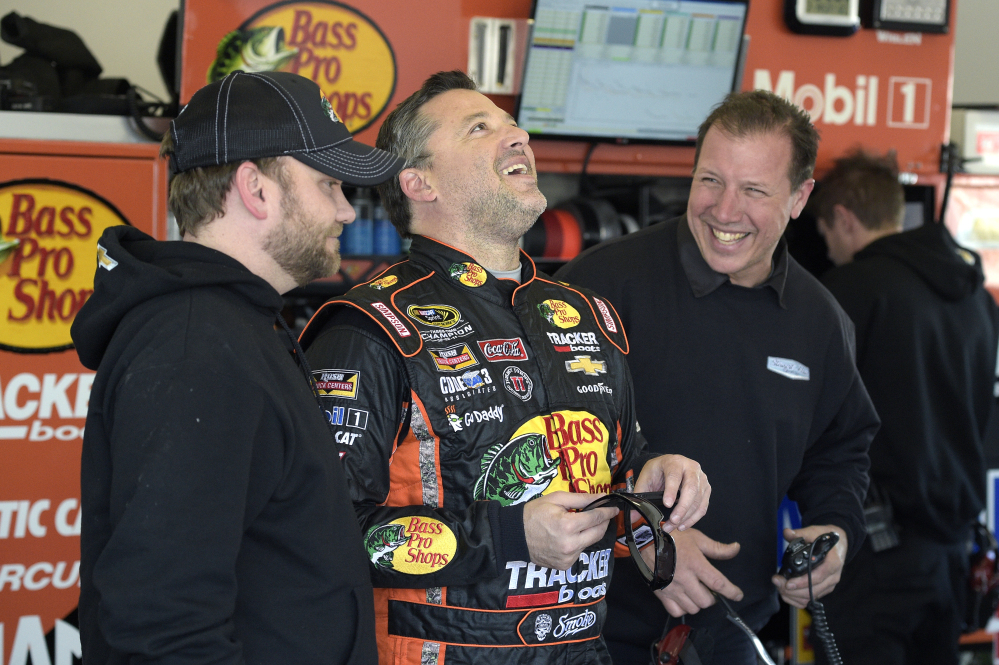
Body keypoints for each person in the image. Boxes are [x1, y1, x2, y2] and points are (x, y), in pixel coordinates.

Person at [297, 70, 711, 665]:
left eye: (512, 124)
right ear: (418, 181)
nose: (516, 137)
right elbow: (321, 533)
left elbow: (620, 472)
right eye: (479, 128)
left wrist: (656, 481)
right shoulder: (369, 327)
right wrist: (509, 535)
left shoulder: (585, 315)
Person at [70, 70, 404, 664]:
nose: (347, 211)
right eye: (328, 184)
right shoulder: (196, 345)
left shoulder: (238, 325)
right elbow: (163, 625)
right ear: (255, 188)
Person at [556, 90, 878, 664]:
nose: (725, 211)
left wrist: (835, 530)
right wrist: (649, 535)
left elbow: (839, 449)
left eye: (754, 190)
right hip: (591, 633)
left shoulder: (820, 321)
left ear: (801, 197)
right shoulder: (601, 285)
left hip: (729, 634)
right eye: (711, 181)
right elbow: (540, 440)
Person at [812, 150, 999, 665]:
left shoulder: (850, 290)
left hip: (878, 554)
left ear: (844, 218)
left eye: (826, 233)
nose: (828, 249)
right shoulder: (975, 296)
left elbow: (814, 412)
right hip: (952, 551)